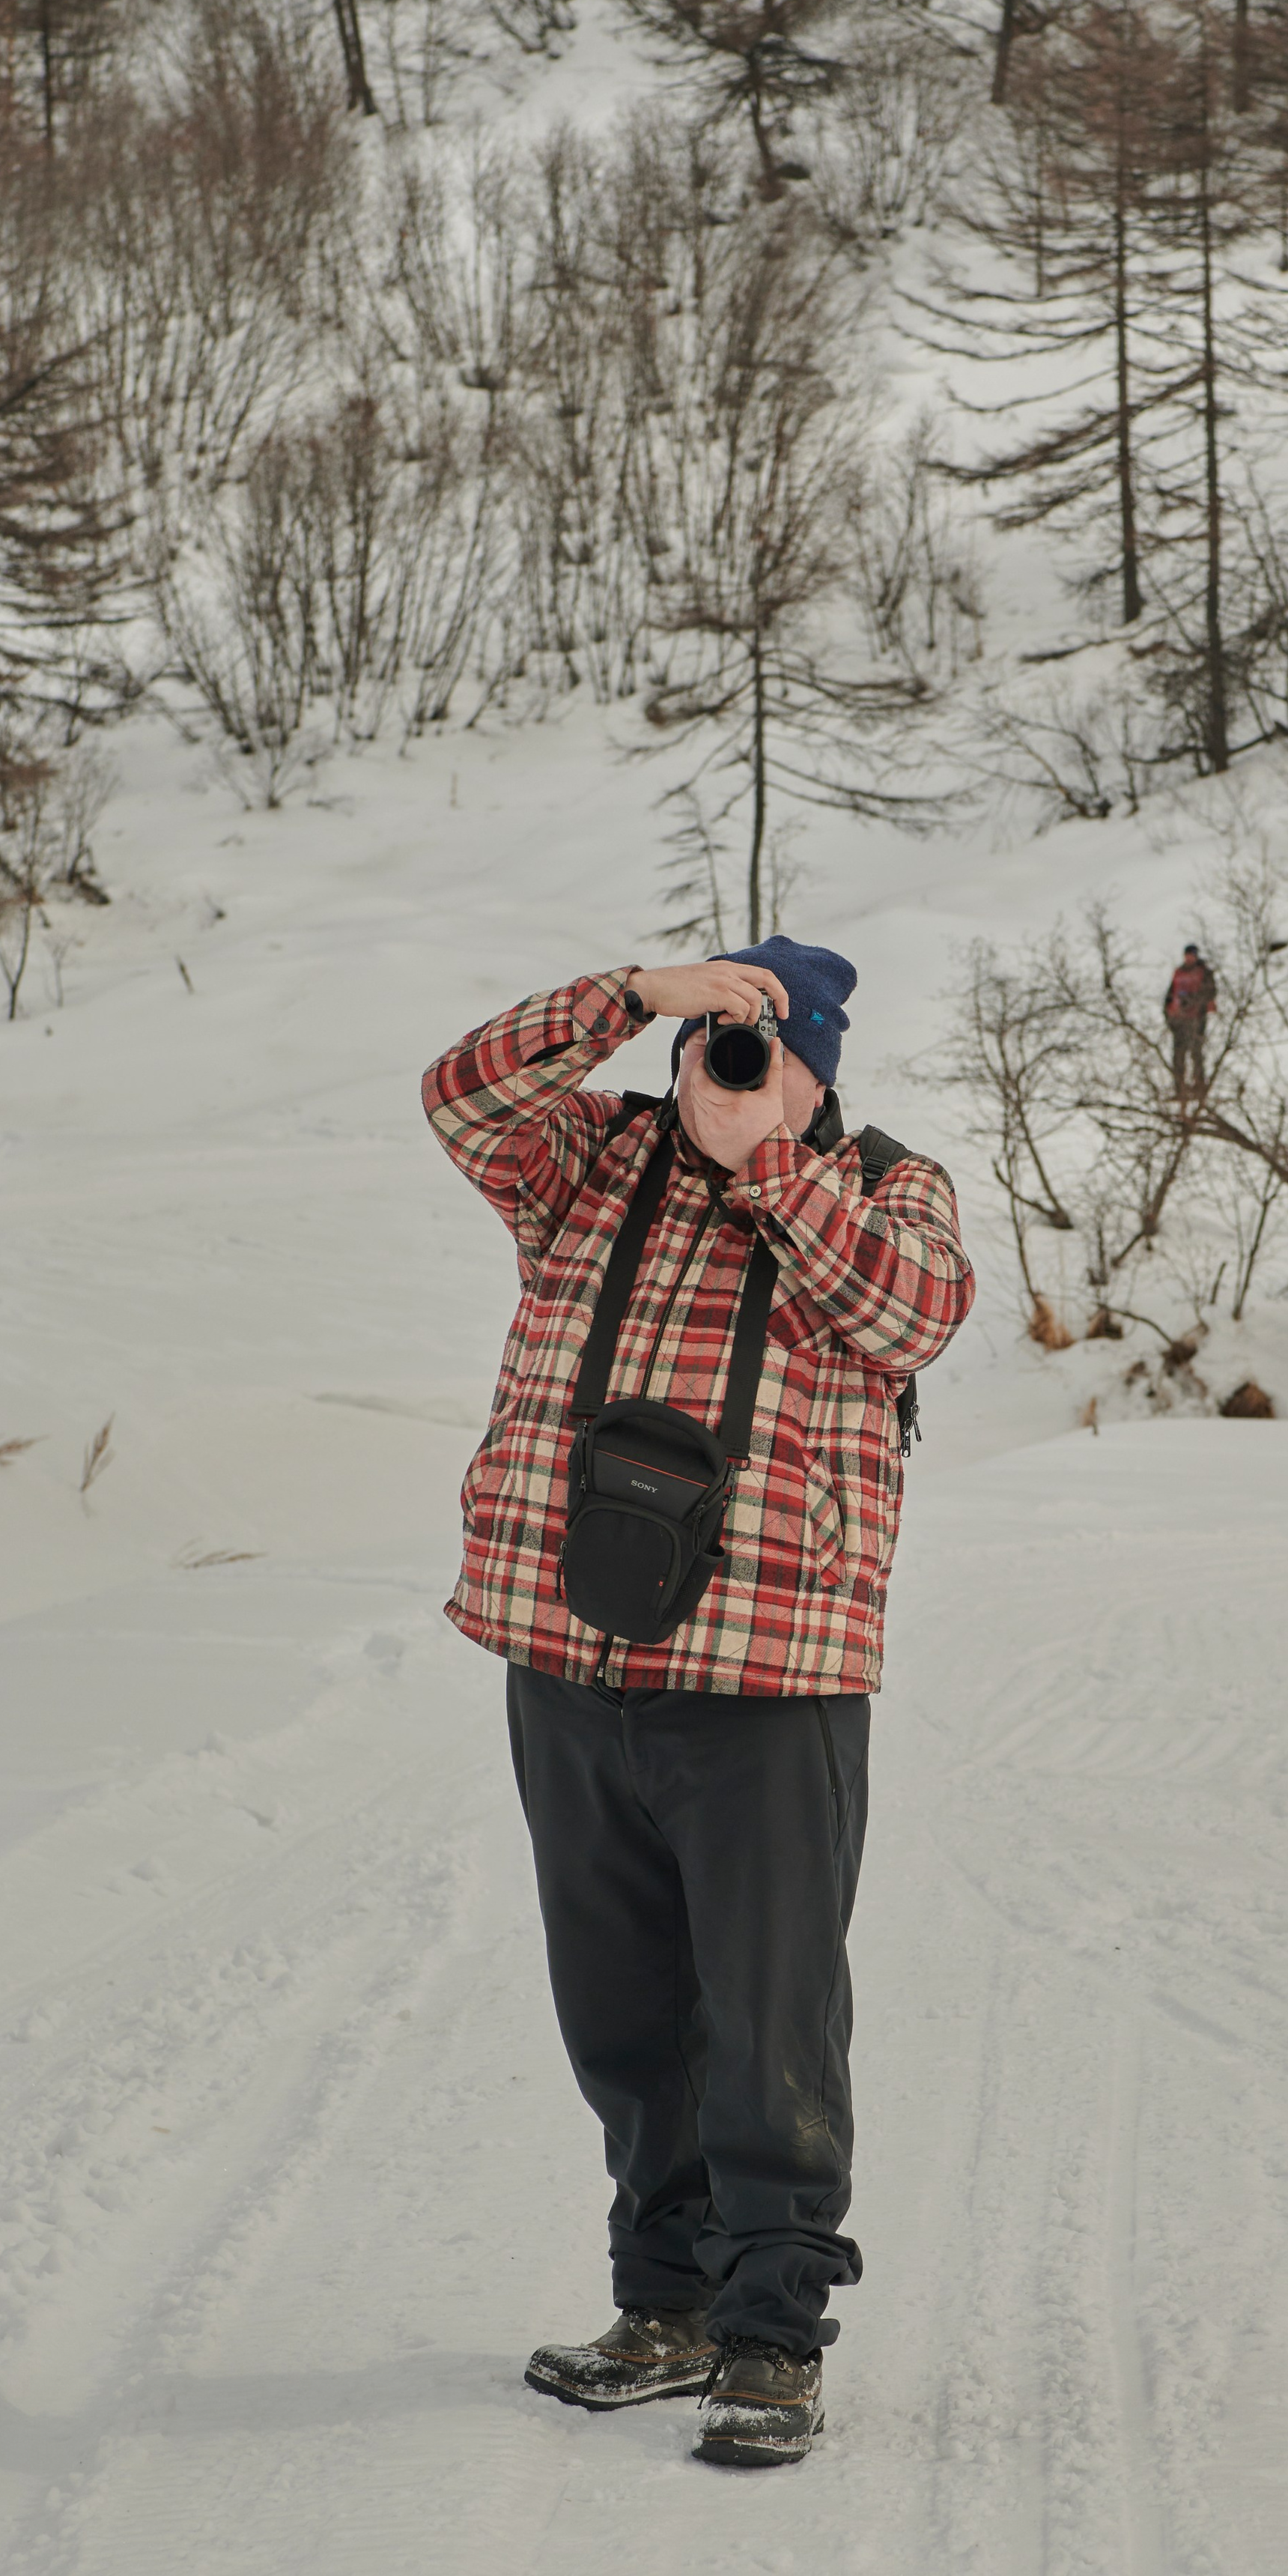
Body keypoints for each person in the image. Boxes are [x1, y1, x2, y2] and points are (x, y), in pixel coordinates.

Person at [422, 939, 974, 2467]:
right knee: (620, 2014)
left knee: (768, 2018)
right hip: (566, 1654)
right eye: (708, 1041)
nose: (719, 1069)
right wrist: (631, 997)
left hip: (765, 1680)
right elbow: (460, 1097)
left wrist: (768, 1167)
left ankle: (772, 2336)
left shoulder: (884, 1189)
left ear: (816, 1069)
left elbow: (914, 1315)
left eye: (756, 1045)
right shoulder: (593, 1161)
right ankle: (662, 2306)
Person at [1165, 940, 1218, 1102]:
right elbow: (1170, 996)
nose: (1189, 958)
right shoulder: (1179, 973)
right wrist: (1168, 1015)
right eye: (1187, 955)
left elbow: (1210, 993)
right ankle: (1180, 1089)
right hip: (1179, 1020)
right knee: (1178, 1056)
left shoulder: (1204, 973)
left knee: (1196, 1054)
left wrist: (1192, 1001)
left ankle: (1199, 1088)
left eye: (1191, 955)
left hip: (1197, 1019)